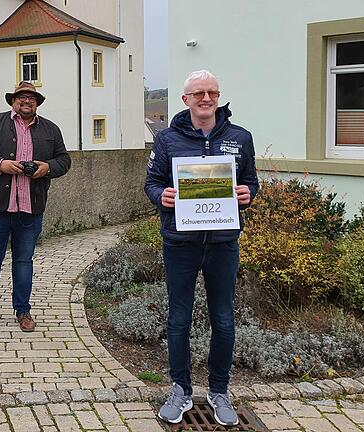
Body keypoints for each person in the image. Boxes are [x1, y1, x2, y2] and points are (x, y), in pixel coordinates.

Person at [144, 70, 258, 426]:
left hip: (223, 243)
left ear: (218, 96)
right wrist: (160, 196)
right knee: (179, 318)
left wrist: (248, 194)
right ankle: (179, 388)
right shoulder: (166, 139)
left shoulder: (240, 137)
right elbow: (152, 182)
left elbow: (251, 181)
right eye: (198, 94)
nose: (206, 98)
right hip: (180, 242)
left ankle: (219, 391)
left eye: (211, 92)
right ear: (185, 100)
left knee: (223, 319)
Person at [0, 81, 71, 335]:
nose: (26, 101)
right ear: (13, 101)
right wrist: (1, 165)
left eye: (31, 97)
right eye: (21, 97)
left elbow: (64, 160)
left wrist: (47, 168)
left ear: (37, 103)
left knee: (23, 262)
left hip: (31, 209)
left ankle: (23, 311)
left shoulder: (50, 129)